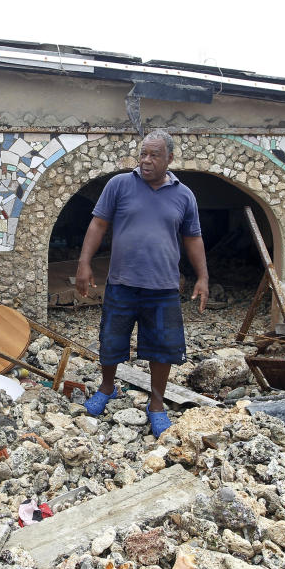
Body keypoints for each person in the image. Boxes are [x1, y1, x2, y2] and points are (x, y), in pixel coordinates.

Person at [74, 129, 208, 437]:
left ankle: (157, 404)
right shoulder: (119, 185)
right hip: (122, 282)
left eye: (154, 155)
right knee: (111, 340)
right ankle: (107, 388)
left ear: (169, 159)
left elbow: (193, 237)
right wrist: (84, 263)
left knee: (163, 348)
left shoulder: (184, 195)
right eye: (143, 154)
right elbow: (98, 224)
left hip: (163, 287)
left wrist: (202, 276)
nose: (146, 160)